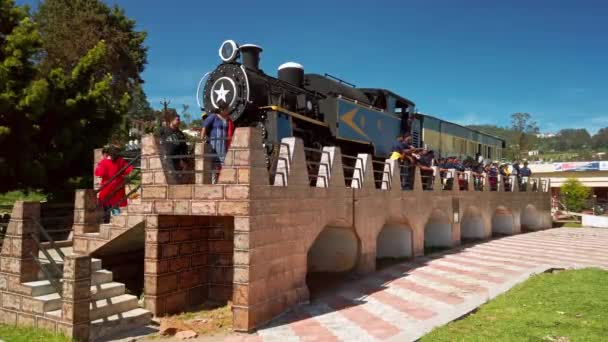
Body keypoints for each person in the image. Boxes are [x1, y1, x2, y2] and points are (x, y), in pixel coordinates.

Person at [95, 145, 134, 219]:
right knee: (115, 203)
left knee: (105, 202)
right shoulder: (121, 161)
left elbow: (99, 173)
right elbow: (128, 169)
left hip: (107, 186)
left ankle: (107, 219)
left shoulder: (104, 162)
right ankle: (116, 218)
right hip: (118, 185)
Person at [201, 100, 235, 182]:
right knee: (213, 167)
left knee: (224, 166)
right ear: (222, 110)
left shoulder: (228, 120)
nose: (228, 111)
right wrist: (202, 140)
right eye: (227, 109)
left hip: (224, 147)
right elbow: (204, 127)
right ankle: (213, 185)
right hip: (214, 147)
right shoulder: (213, 117)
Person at [160, 112, 190, 182]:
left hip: (176, 160)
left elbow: (184, 148)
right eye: (177, 120)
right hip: (165, 159)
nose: (179, 121)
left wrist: (185, 161)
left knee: (175, 179)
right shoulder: (164, 131)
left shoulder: (180, 134)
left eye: (179, 120)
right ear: (172, 120)